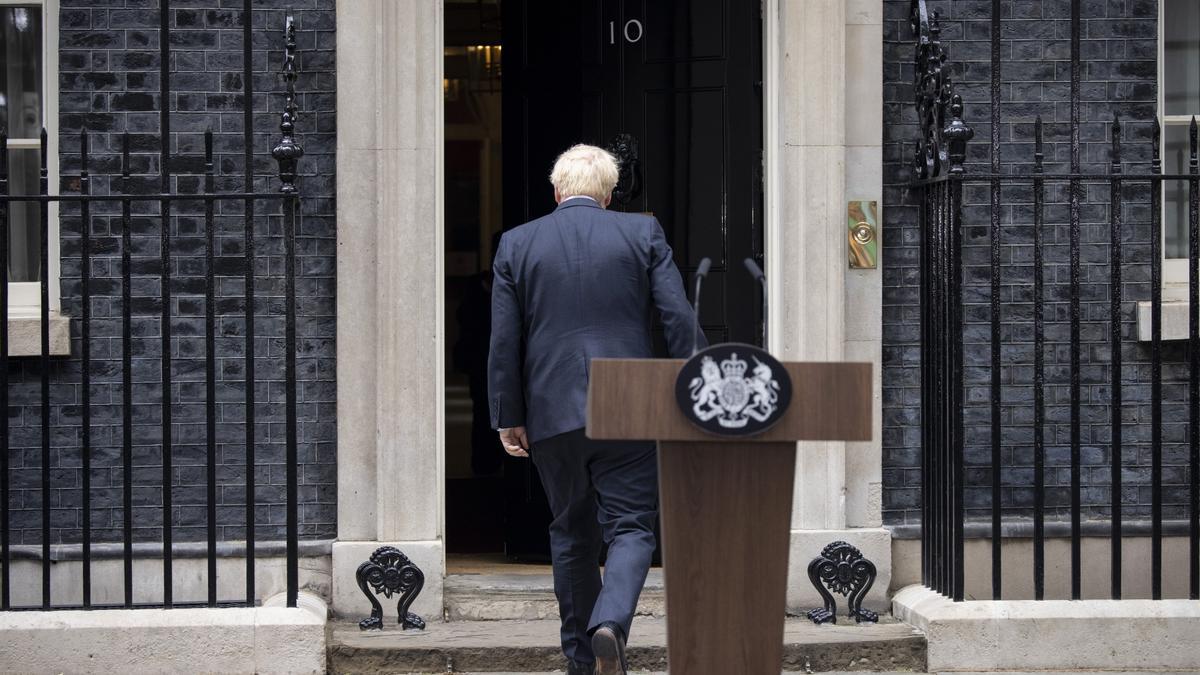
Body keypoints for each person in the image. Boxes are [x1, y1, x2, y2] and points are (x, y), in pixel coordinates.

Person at [488, 144, 703, 675]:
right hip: (629, 398)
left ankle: (582, 659)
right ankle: (611, 623)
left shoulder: (516, 243)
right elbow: (677, 316)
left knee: (570, 530)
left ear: (557, 191)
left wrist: (507, 414)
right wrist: (700, 387)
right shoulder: (642, 233)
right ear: (609, 197)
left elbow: (504, 341)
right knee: (631, 526)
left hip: (551, 405)